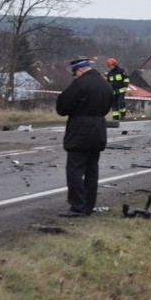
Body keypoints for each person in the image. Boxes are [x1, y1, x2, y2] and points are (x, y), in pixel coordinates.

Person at [56, 58, 114, 217]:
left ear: (79, 70)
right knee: (92, 170)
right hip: (99, 129)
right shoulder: (105, 84)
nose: (75, 77)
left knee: (75, 169)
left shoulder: (80, 84)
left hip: (80, 130)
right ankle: (88, 205)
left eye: (75, 74)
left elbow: (63, 107)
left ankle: (77, 205)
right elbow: (109, 105)